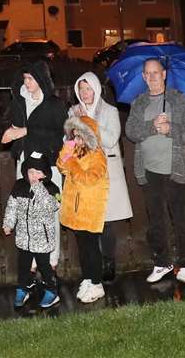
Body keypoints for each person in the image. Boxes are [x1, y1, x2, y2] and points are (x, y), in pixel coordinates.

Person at [122, 58, 185, 285]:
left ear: (164, 74)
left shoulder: (178, 99)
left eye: (156, 73)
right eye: (148, 73)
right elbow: (131, 132)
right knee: (156, 220)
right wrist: (152, 126)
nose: (152, 77)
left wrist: (169, 128)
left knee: (181, 218)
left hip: (175, 169)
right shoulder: (139, 103)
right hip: (149, 169)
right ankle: (163, 262)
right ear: (144, 76)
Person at [70, 72, 134, 283]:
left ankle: (109, 261)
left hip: (106, 173)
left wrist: (88, 125)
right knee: (89, 222)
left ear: (96, 89)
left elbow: (111, 138)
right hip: (85, 173)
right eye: (82, 89)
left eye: (88, 89)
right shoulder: (73, 112)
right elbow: (68, 141)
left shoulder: (109, 111)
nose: (85, 93)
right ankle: (92, 263)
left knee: (106, 222)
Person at [58, 114, 110, 303]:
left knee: (91, 248)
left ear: (89, 137)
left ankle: (97, 284)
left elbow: (89, 178)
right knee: (82, 248)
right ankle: (88, 278)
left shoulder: (97, 155)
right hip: (76, 209)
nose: (77, 140)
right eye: (75, 136)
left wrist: (72, 163)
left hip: (89, 210)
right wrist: (68, 149)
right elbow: (61, 165)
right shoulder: (76, 151)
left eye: (80, 136)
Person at [2, 149, 62, 310]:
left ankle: (51, 290)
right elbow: (12, 206)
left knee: (44, 266)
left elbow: (53, 206)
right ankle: (23, 288)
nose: (34, 176)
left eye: (38, 172)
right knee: (23, 265)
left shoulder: (51, 188)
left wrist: (39, 189)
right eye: (31, 172)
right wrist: (8, 223)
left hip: (42, 238)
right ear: (25, 171)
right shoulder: (19, 186)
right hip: (23, 237)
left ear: (45, 174)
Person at [2, 61, 65, 181]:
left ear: (41, 78)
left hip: (48, 165)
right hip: (25, 164)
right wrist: (11, 132)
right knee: (24, 199)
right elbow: (10, 123)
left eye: (30, 78)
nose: (26, 82)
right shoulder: (20, 102)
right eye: (25, 78)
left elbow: (59, 133)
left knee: (48, 199)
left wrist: (27, 131)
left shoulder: (55, 104)